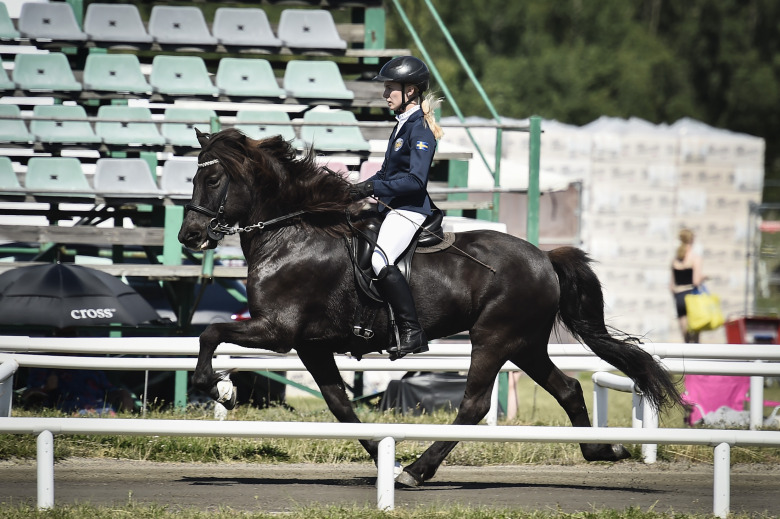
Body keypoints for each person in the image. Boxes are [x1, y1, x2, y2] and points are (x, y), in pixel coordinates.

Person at [349, 55, 444, 360]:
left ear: (411, 91)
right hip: (391, 207)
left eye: (390, 88)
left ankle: (412, 331)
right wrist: (355, 188)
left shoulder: (420, 129)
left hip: (411, 210)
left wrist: (373, 188)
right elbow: (389, 174)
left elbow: (415, 181)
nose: (384, 94)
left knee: (380, 261)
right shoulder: (403, 124)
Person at [670, 228, 705, 343]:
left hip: (679, 297)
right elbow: (696, 281)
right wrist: (704, 277)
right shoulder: (695, 258)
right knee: (695, 338)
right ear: (692, 240)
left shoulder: (675, 259)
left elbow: (671, 286)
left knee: (685, 338)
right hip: (692, 296)